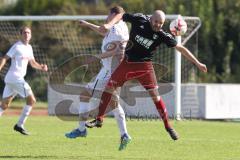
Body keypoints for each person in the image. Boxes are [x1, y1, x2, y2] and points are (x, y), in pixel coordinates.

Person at [87, 10, 208, 140]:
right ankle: (99, 119)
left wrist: (197, 62)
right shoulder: (140, 19)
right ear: (151, 19)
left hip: (145, 67)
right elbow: (121, 14)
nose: (158, 25)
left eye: (161, 23)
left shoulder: (162, 35)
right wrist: (109, 24)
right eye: (156, 22)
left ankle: (168, 127)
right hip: (127, 63)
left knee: (155, 97)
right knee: (109, 88)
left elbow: (180, 48)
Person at [65, 6, 131, 151]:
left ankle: (81, 129)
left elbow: (118, 50)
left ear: (113, 14)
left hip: (109, 71)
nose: (107, 17)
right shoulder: (118, 26)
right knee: (114, 103)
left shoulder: (117, 28)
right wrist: (88, 25)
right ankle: (125, 135)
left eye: (109, 15)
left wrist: (95, 57)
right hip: (112, 70)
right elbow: (103, 31)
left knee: (85, 95)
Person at [0, 26, 48, 135]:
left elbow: (32, 63)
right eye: (24, 33)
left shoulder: (29, 48)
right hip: (15, 78)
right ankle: (19, 125)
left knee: (4, 105)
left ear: (30, 35)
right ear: (20, 34)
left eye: (28, 33)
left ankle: (19, 125)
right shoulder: (17, 46)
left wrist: (41, 67)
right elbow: (4, 58)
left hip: (13, 80)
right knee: (32, 100)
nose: (26, 34)